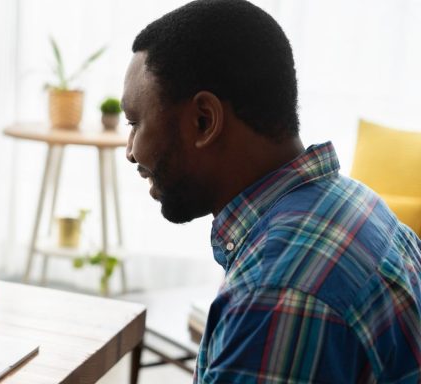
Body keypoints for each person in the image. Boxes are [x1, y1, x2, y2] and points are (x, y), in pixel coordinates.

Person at [122, 0, 421, 382]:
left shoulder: (275, 293)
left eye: (135, 122)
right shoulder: (359, 204)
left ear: (203, 121)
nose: (131, 151)